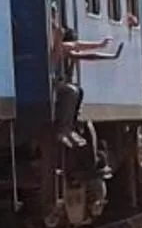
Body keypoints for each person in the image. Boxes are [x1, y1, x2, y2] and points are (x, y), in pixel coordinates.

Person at [50, 8, 119, 146]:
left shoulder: (60, 44)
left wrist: (107, 53)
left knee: (77, 91)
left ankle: (69, 127)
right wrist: (100, 45)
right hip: (49, 85)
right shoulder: (59, 45)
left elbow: (86, 55)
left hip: (54, 83)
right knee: (71, 91)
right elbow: (77, 46)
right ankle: (63, 130)